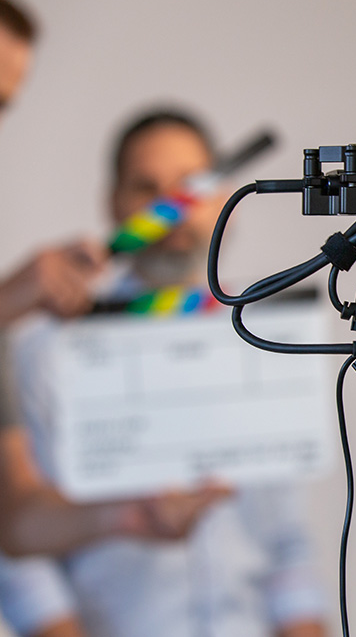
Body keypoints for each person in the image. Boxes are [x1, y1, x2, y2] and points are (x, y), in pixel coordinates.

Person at [0, 109, 329, 637]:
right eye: (146, 188)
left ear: (224, 199)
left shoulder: (265, 345)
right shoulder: (42, 353)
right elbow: (17, 544)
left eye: (188, 186)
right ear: (115, 203)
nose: (172, 209)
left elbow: (286, 541)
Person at [0, 0, 226, 561]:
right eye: (148, 187)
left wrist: (127, 514)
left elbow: (14, 522)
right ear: (115, 201)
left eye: (2, 107)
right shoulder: (33, 342)